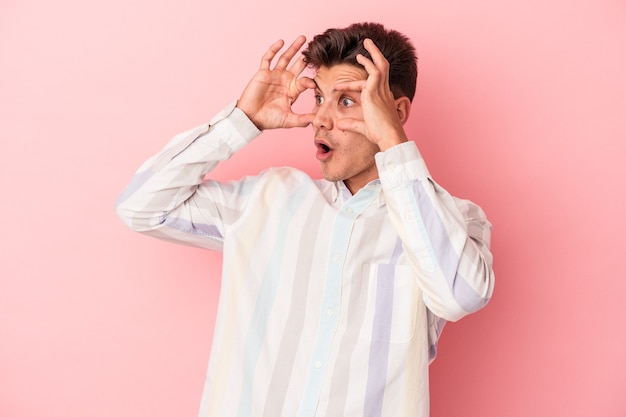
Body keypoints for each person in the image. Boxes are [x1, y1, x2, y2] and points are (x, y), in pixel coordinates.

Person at [116, 22, 494, 417]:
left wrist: (393, 145)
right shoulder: (267, 199)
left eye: (346, 101)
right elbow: (141, 206)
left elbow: (461, 295)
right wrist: (241, 121)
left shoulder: (453, 220)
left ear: (395, 112)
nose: (320, 119)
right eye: (318, 98)